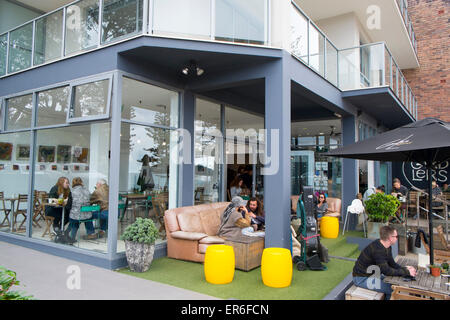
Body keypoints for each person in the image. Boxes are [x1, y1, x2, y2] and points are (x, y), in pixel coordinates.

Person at [352, 225, 417, 300]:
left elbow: (392, 263)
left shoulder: (387, 246)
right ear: (390, 238)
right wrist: (406, 272)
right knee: (393, 289)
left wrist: (405, 268)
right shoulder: (378, 250)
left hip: (373, 275)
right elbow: (386, 271)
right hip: (362, 278)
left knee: (395, 284)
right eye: (396, 236)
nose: (397, 238)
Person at [66, 177, 96, 242]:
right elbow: (90, 202)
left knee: (73, 219)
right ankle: (91, 233)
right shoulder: (87, 191)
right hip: (87, 215)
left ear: (73, 183)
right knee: (85, 216)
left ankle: (71, 236)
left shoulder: (72, 191)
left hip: (76, 216)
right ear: (81, 182)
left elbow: (68, 206)